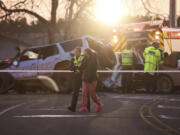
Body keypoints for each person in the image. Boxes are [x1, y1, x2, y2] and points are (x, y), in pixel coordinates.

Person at [79, 48, 103, 112]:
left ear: (88, 53)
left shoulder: (94, 59)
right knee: (84, 92)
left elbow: (93, 69)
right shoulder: (84, 59)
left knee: (92, 94)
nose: (83, 53)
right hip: (85, 78)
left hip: (92, 79)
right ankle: (84, 107)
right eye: (83, 52)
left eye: (85, 52)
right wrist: (79, 63)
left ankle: (99, 104)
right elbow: (80, 66)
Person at [68, 47, 90, 112]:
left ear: (80, 52)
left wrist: (76, 67)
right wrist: (77, 66)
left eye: (76, 52)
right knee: (75, 93)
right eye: (74, 52)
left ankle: (88, 107)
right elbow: (70, 67)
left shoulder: (83, 58)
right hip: (75, 78)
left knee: (86, 92)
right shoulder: (73, 59)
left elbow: (84, 66)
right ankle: (73, 107)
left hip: (83, 77)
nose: (75, 53)